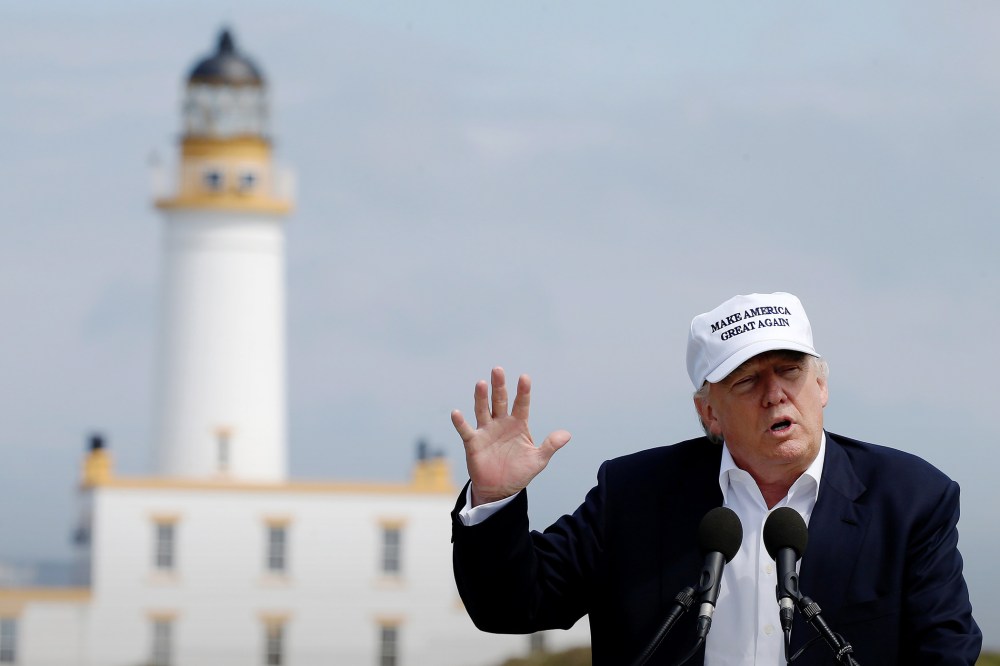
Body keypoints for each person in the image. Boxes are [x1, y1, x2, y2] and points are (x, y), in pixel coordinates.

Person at [449, 292, 981, 665]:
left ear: (822, 386)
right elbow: (511, 605)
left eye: (791, 371)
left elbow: (945, 652)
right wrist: (496, 498)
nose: (775, 393)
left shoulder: (911, 500)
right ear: (709, 414)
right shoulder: (634, 495)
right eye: (748, 380)